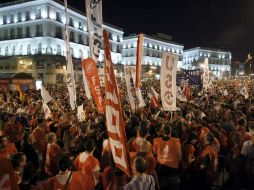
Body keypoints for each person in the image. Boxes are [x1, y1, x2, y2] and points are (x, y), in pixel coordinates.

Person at [153, 123, 181, 190]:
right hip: (173, 171)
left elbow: (154, 153)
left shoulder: (156, 141)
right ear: (170, 132)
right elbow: (179, 157)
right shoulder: (177, 141)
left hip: (161, 170)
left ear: (162, 132)